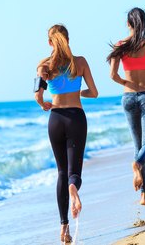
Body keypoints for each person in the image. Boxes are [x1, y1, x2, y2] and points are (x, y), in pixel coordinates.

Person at [34, 24, 98, 243]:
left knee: (61, 172)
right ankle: (74, 188)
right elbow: (95, 92)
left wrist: (44, 104)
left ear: (50, 43)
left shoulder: (44, 66)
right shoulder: (79, 63)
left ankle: (64, 228)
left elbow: (38, 96)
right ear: (68, 40)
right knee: (73, 172)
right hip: (76, 118)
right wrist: (78, 91)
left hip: (56, 120)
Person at [107, 7, 145, 206]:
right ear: (144, 23)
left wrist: (127, 83)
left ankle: (144, 194)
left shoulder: (120, 45)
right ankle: (137, 167)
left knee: (137, 146)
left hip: (128, 98)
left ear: (128, 24)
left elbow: (113, 75)